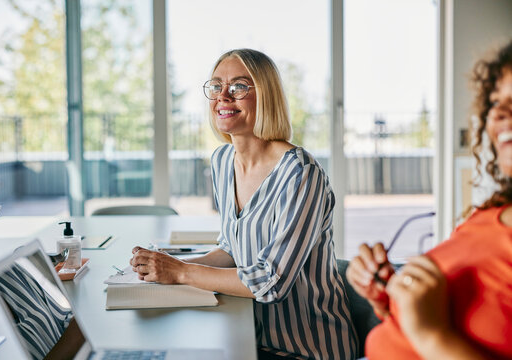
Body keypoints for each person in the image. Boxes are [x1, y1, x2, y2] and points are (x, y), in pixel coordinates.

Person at [130, 48, 357, 359]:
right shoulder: (223, 161)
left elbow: (271, 281)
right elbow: (231, 249)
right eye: (216, 86)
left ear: (267, 96)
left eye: (238, 86)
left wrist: (182, 272)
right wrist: (164, 266)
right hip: (250, 338)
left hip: (306, 349)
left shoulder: (300, 173)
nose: (223, 96)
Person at [346, 40, 512, 359]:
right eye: (495, 101)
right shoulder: (486, 217)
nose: (501, 113)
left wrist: (430, 334)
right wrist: (389, 296)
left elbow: (433, 331)